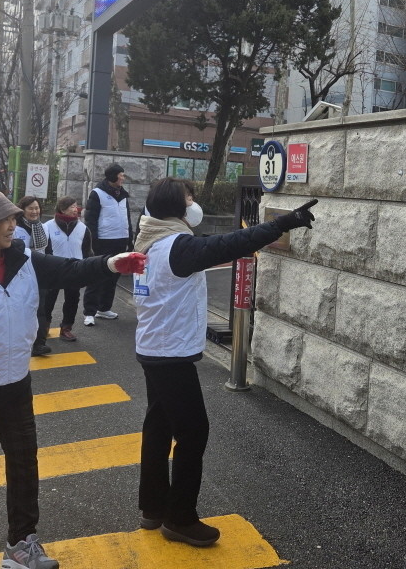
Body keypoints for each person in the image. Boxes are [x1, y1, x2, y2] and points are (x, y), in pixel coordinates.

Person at [0, 188, 145, 569]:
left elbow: (71, 269)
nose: (13, 225)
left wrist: (110, 263)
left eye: (13, 218)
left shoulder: (26, 262)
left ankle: (21, 543)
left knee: (24, 463)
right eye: (5, 219)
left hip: (14, 385)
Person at [133, 178, 317, 547]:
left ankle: (153, 507)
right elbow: (232, 244)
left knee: (158, 426)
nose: (193, 204)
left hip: (152, 346)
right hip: (170, 354)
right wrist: (283, 223)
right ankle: (179, 518)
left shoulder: (148, 239)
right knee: (193, 432)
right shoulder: (177, 245)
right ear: (178, 207)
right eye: (189, 199)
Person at [82, 163, 133, 326]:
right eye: (121, 175)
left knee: (113, 276)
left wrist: (130, 239)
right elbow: (90, 220)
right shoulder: (97, 193)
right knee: (97, 275)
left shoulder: (123, 195)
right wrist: (93, 242)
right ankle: (89, 312)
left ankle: (104, 309)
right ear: (113, 176)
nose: (123, 178)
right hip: (103, 241)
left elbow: (127, 218)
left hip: (121, 240)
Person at [43, 197, 92, 342]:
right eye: (72, 207)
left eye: (76, 206)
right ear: (62, 209)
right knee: (48, 300)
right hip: (53, 268)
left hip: (75, 268)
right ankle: (44, 326)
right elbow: (44, 250)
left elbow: (87, 251)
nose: (75, 209)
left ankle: (66, 328)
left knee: (72, 300)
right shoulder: (47, 226)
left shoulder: (83, 228)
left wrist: (86, 269)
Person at [14, 196, 53, 356]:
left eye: (37, 208)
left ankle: (39, 344)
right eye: (30, 208)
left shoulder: (43, 227)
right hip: (19, 274)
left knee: (40, 309)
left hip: (40, 273)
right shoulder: (15, 228)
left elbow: (49, 251)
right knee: (19, 308)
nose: (35, 211)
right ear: (22, 210)